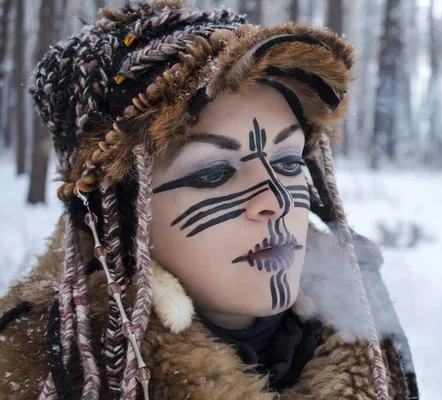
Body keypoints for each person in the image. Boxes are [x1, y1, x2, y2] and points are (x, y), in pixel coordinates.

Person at [0, 1, 418, 399]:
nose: (276, 201)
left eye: (289, 163)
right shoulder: (42, 372)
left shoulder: (371, 342)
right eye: (214, 173)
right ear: (120, 215)